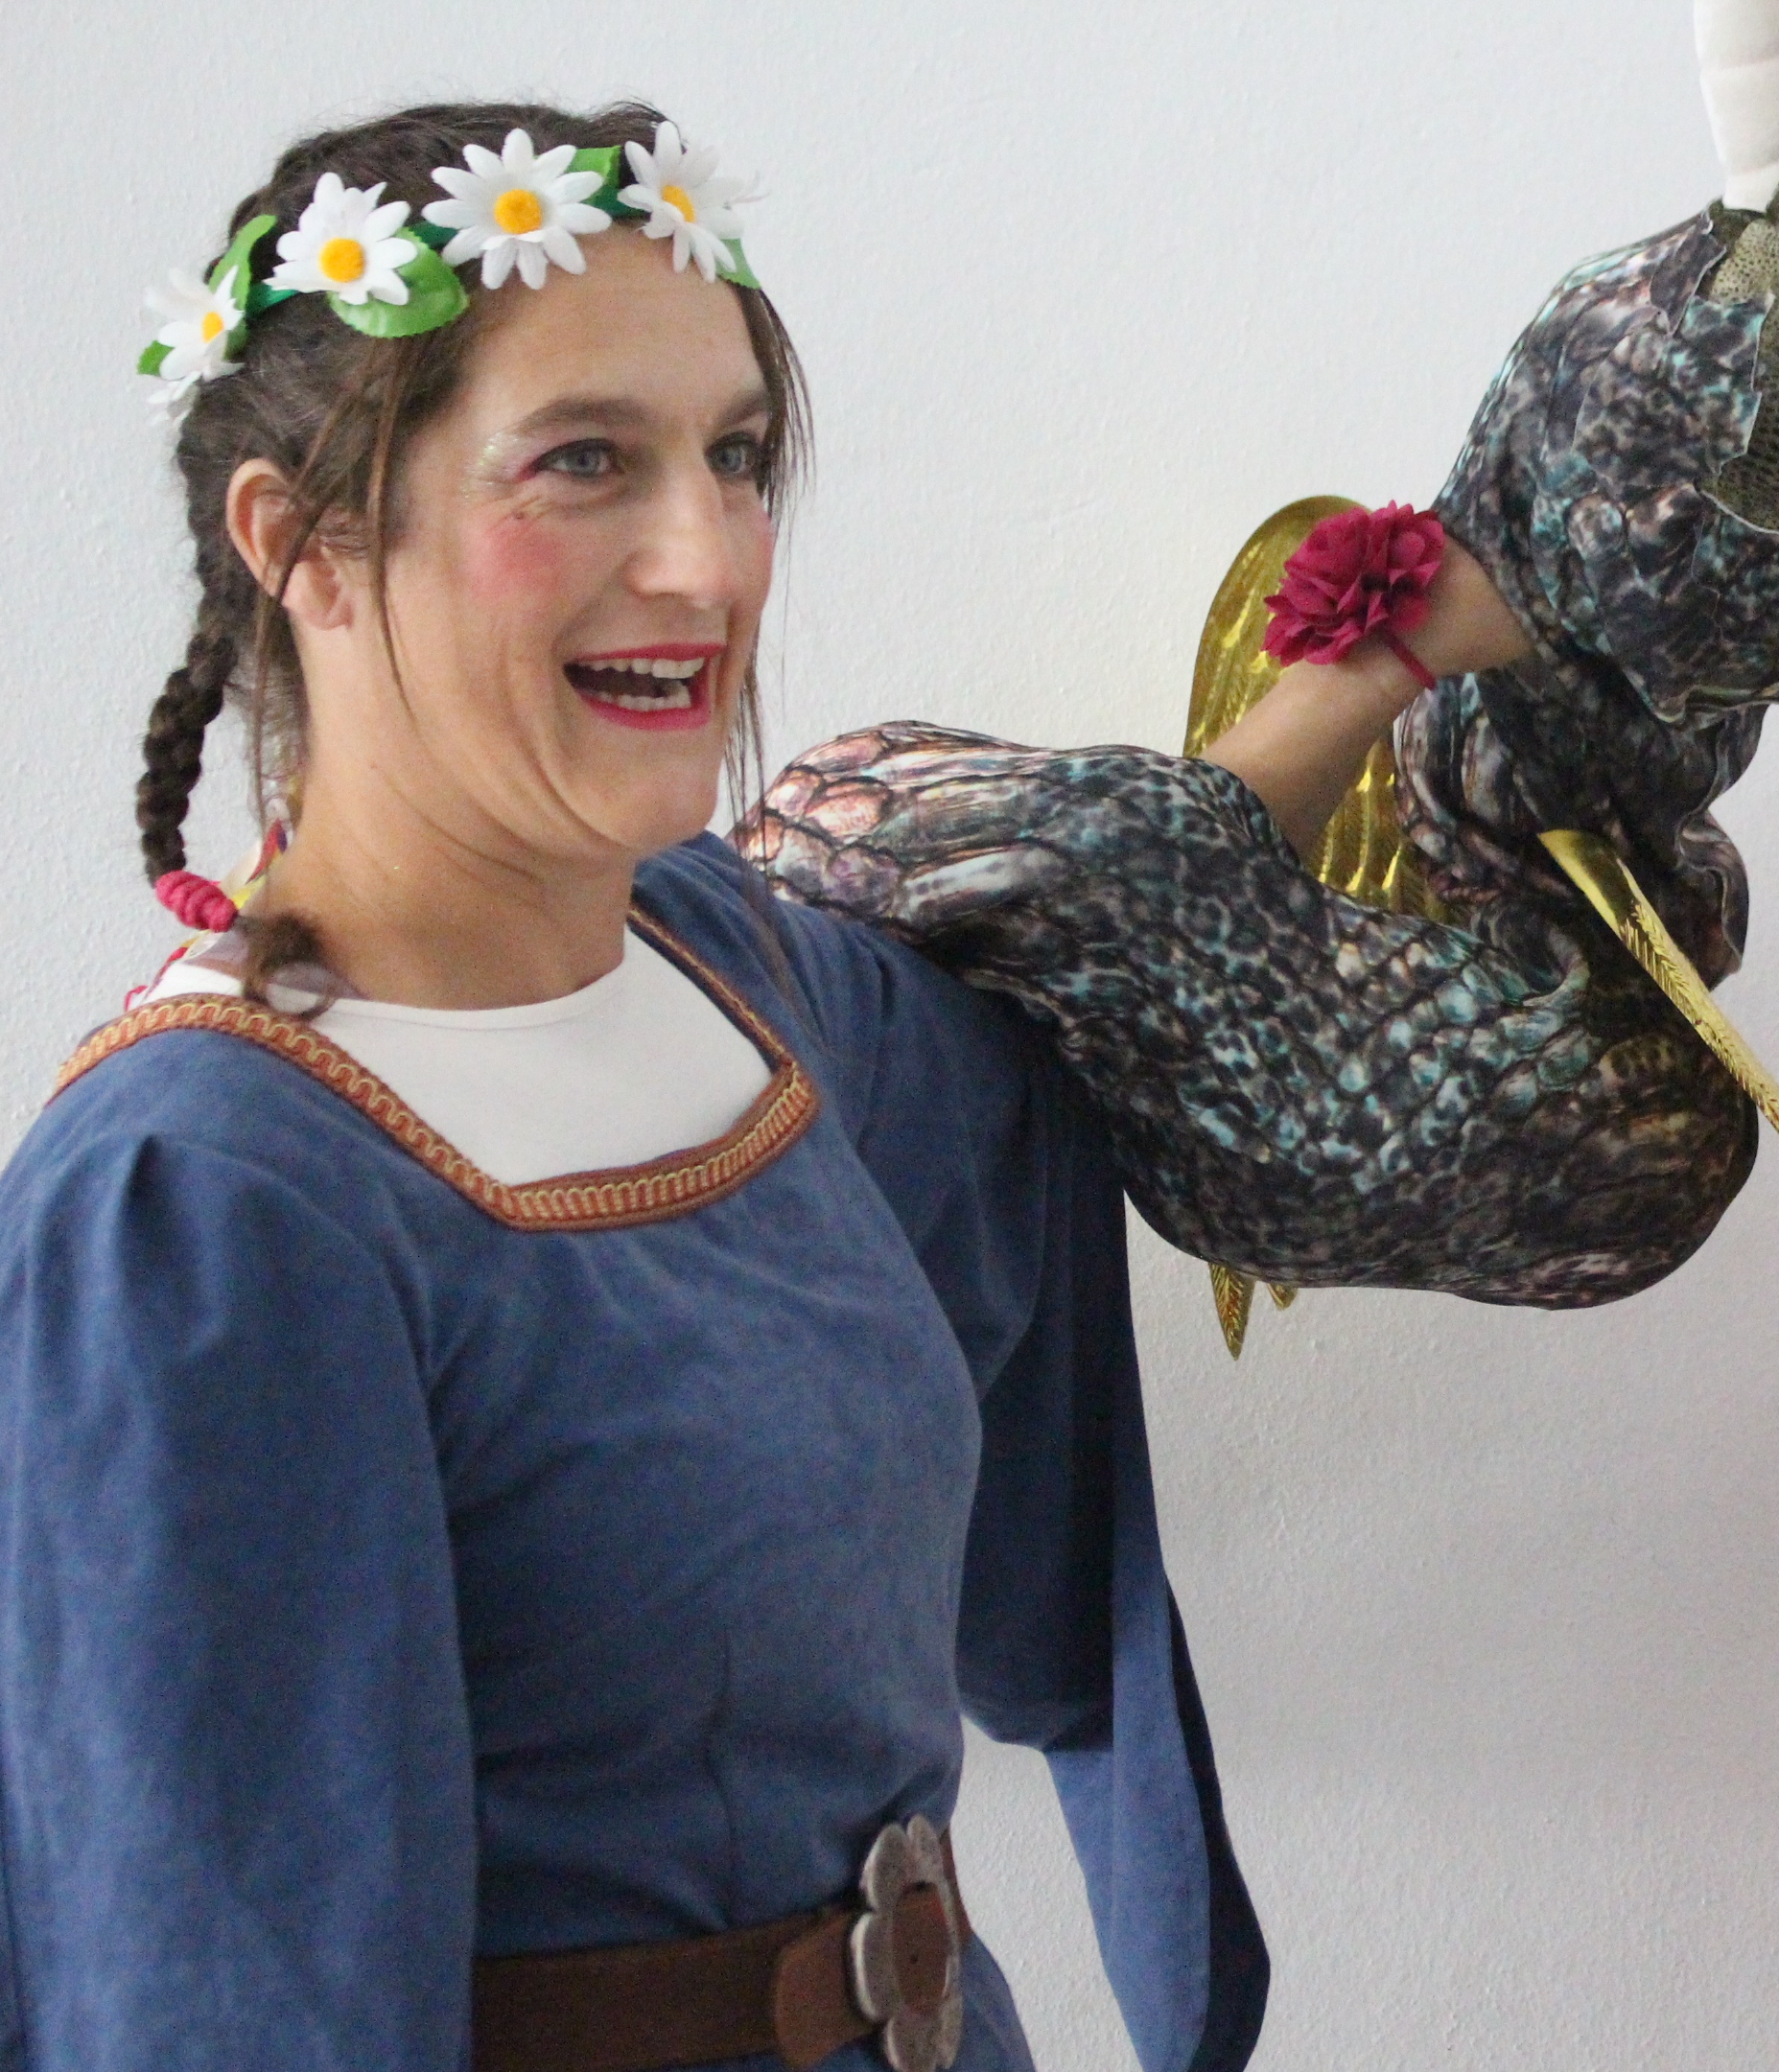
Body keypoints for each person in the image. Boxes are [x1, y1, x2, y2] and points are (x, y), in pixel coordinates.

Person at [0, 101, 1527, 2072]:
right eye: (583, 461)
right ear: (304, 545)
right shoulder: (202, 1205)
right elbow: (211, 1997)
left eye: (734, 455)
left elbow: (1075, 980)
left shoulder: (733, 966)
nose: (704, 557)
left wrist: (1389, 645)